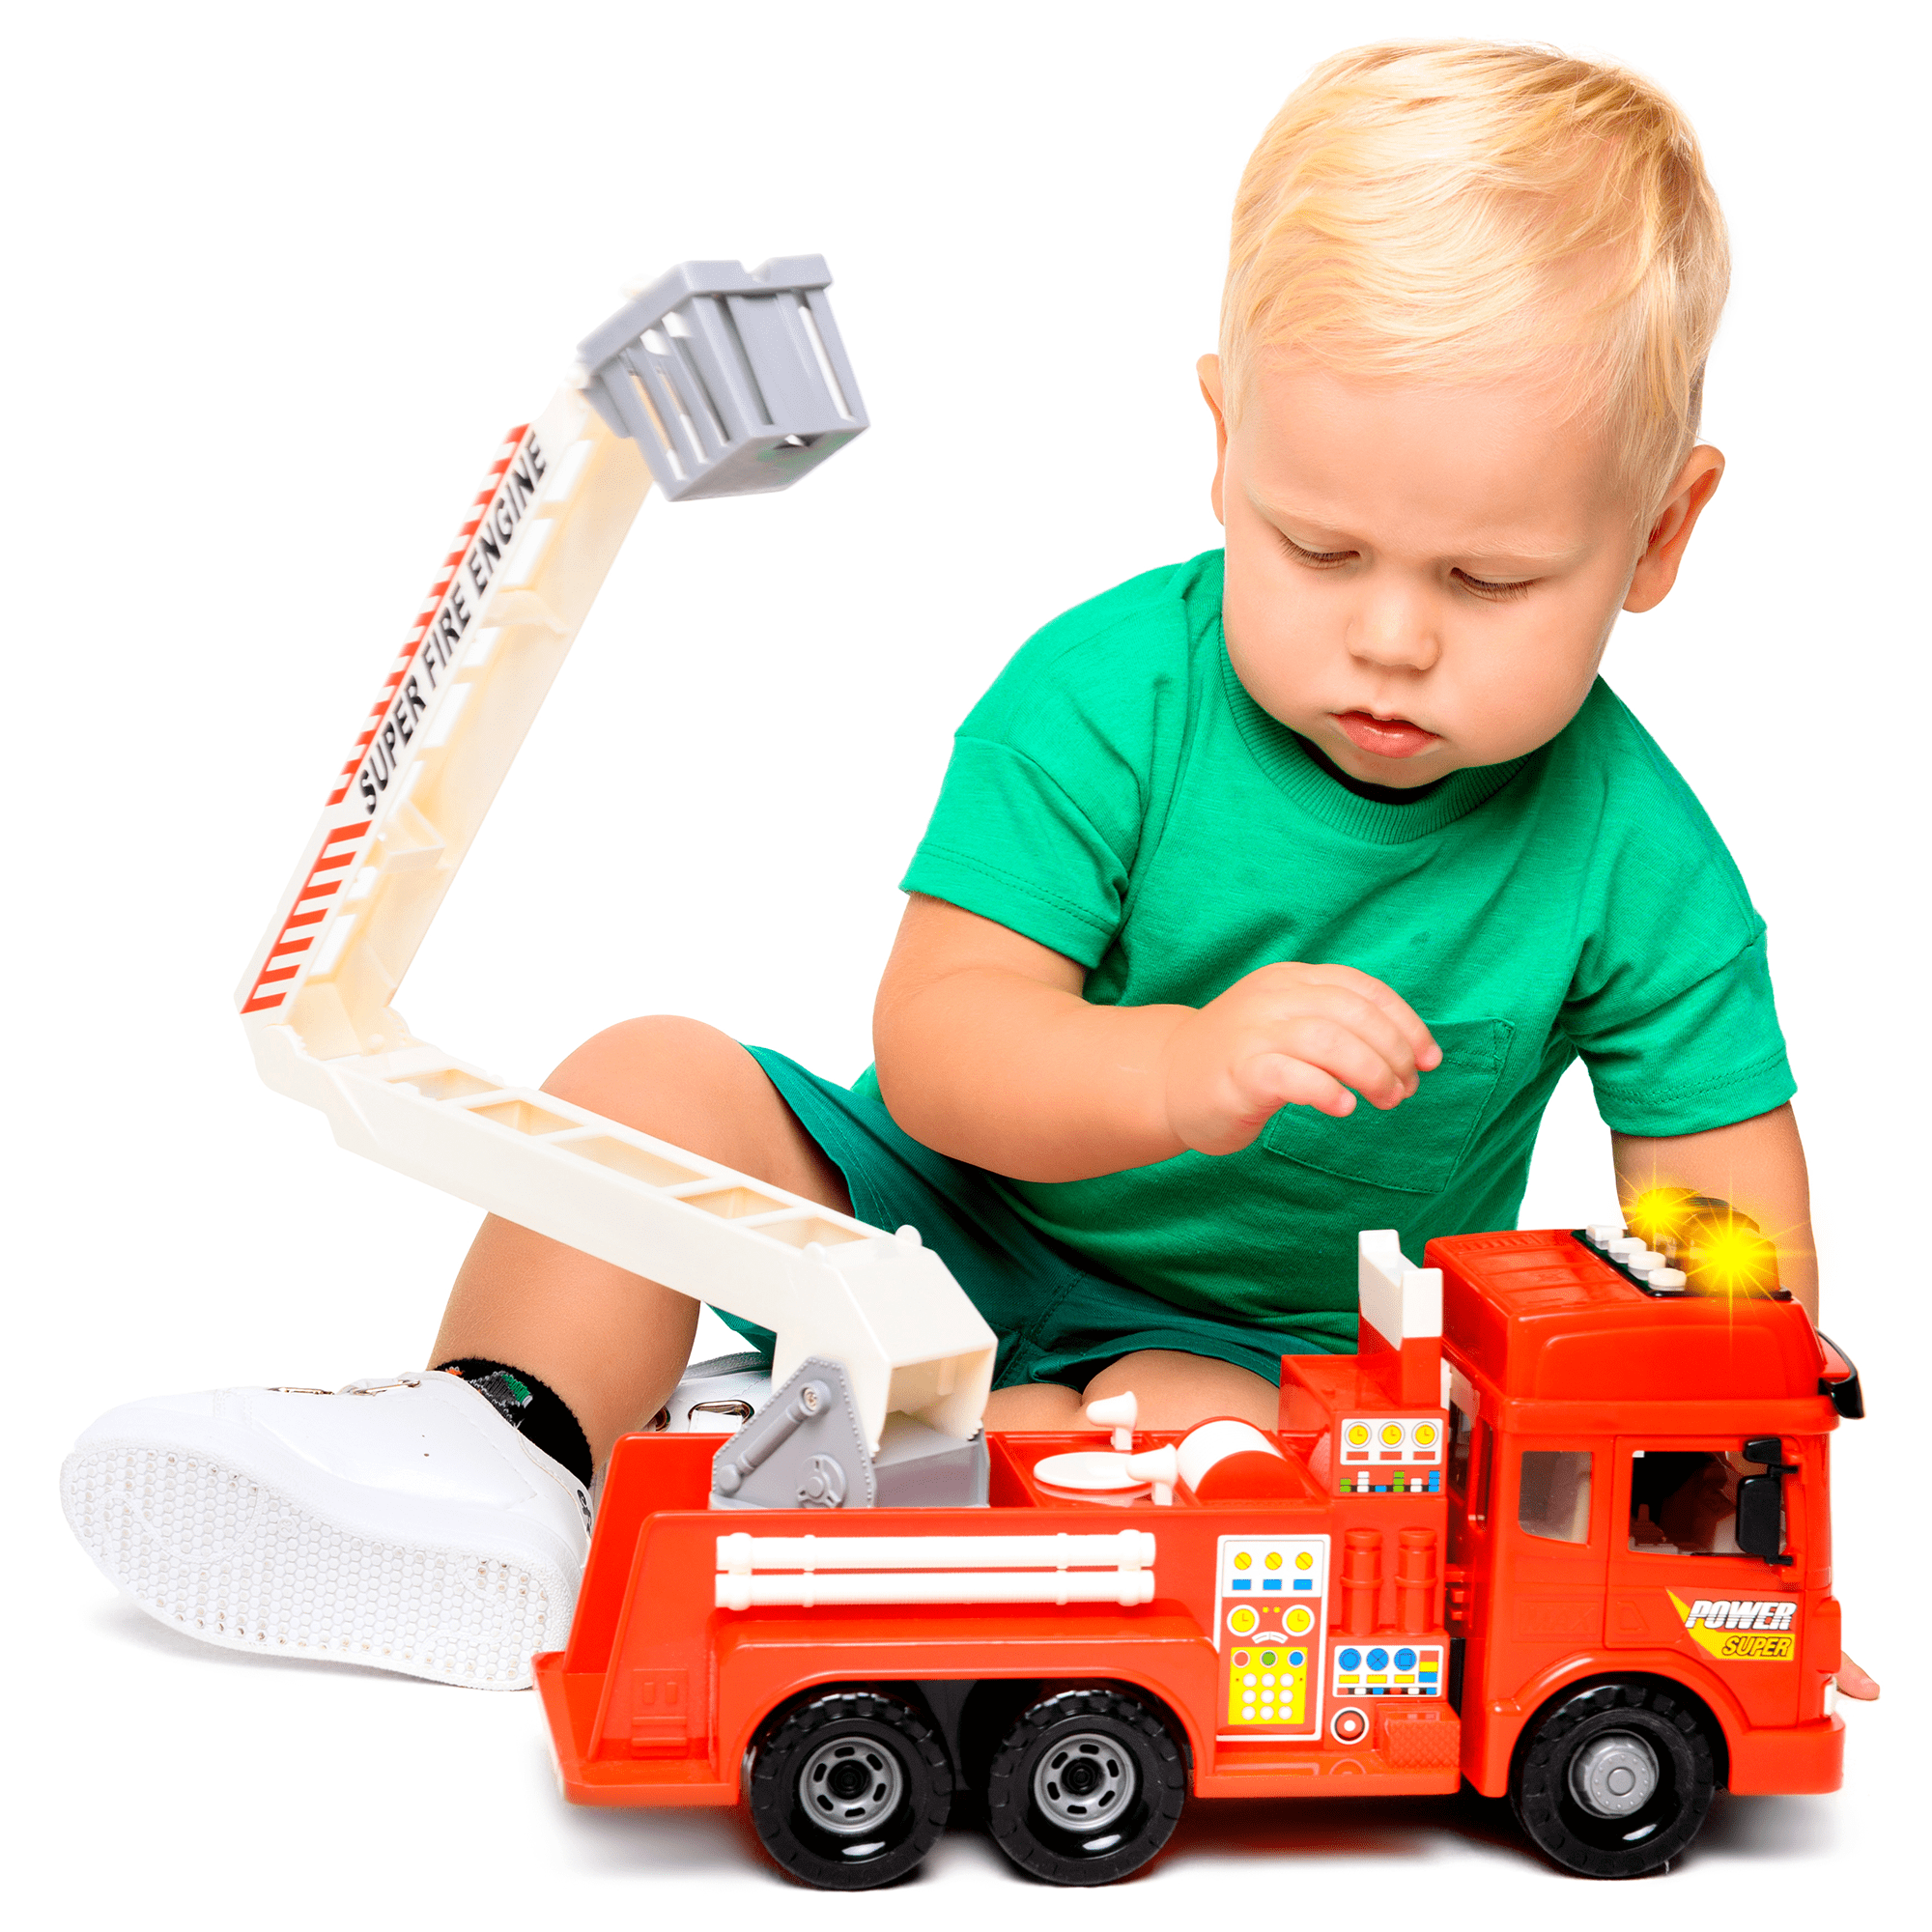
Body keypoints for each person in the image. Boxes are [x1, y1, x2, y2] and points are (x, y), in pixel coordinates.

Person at [61, 41, 1870, 1698]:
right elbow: (941, 1051)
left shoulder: (1638, 856)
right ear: (1223, 447)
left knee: (1193, 1440)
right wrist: (1182, 1066)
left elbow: (1720, 1244)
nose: (1391, 637)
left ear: (1659, 533)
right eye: (1319, 549)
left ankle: (961, 1493)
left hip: (1271, 1344)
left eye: (1489, 582)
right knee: (650, 1081)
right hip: (927, 1219)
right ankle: (505, 1453)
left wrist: (1724, 1560)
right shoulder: (1104, 701)